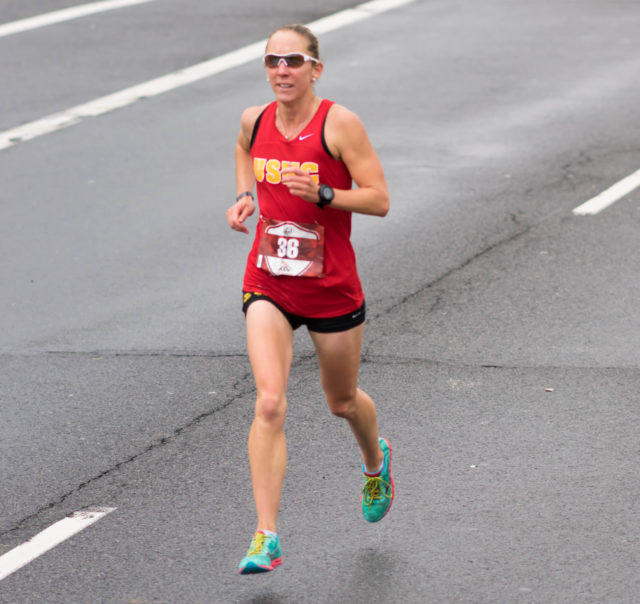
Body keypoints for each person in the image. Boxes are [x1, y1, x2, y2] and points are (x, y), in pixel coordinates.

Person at [226, 23, 394, 575]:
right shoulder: (255, 119)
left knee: (341, 401)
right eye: (273, 61)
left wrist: (325, 193)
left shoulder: (338, 124)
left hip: (330, 288)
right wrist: (246, 195)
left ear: (315, 69)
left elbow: (379, 200)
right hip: (269, 280)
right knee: (269, 402)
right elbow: (243, 149)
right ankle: (266, 535)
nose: (282, 70)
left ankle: (375, 462)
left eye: (293, 61)